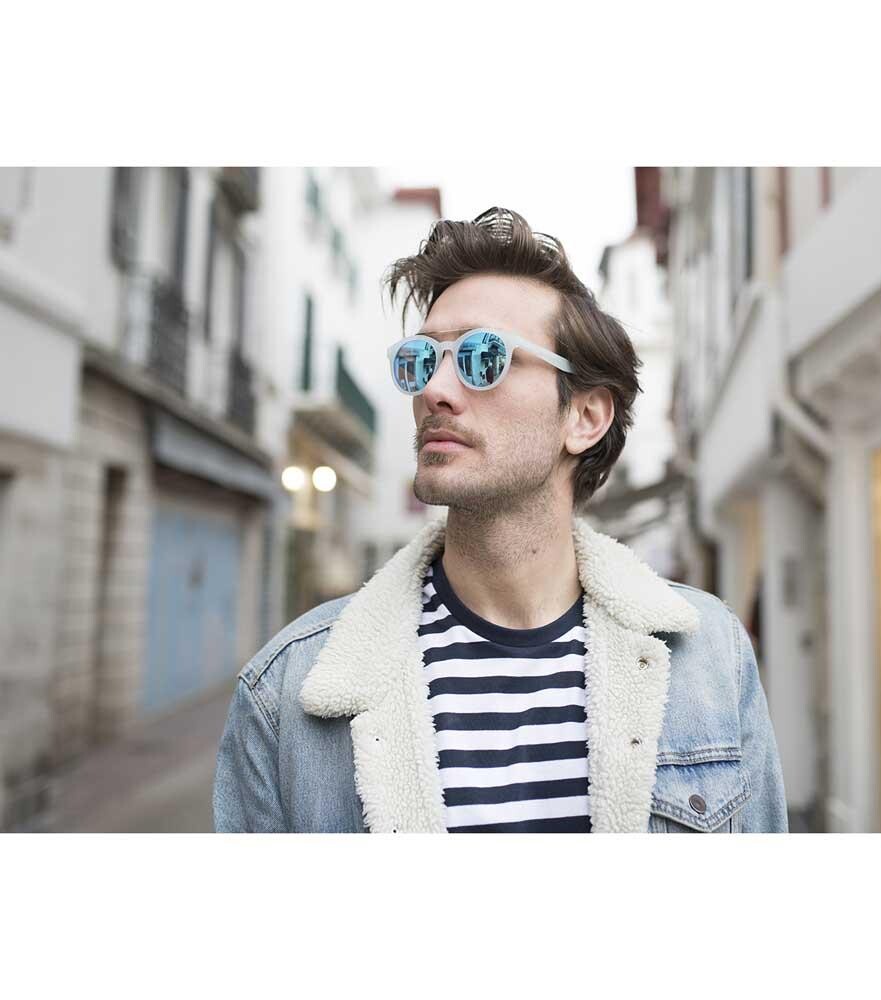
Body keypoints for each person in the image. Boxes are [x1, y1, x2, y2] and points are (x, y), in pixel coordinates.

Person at [213, 207, 788, 833]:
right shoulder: (289, 691)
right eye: (420, 360)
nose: (434, 390)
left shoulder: (709, 656)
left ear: (585, 418)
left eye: (481, 357)